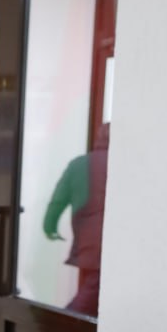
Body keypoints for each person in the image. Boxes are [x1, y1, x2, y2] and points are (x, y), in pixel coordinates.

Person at [44, 122, 110, 317]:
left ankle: (65, 322)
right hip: (107, 241)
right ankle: (63, 322)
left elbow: (58, 200)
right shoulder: (122, 164)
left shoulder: (79, 164)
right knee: (92, 290)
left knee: (92, 286)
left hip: (86, 238)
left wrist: (49, 226)